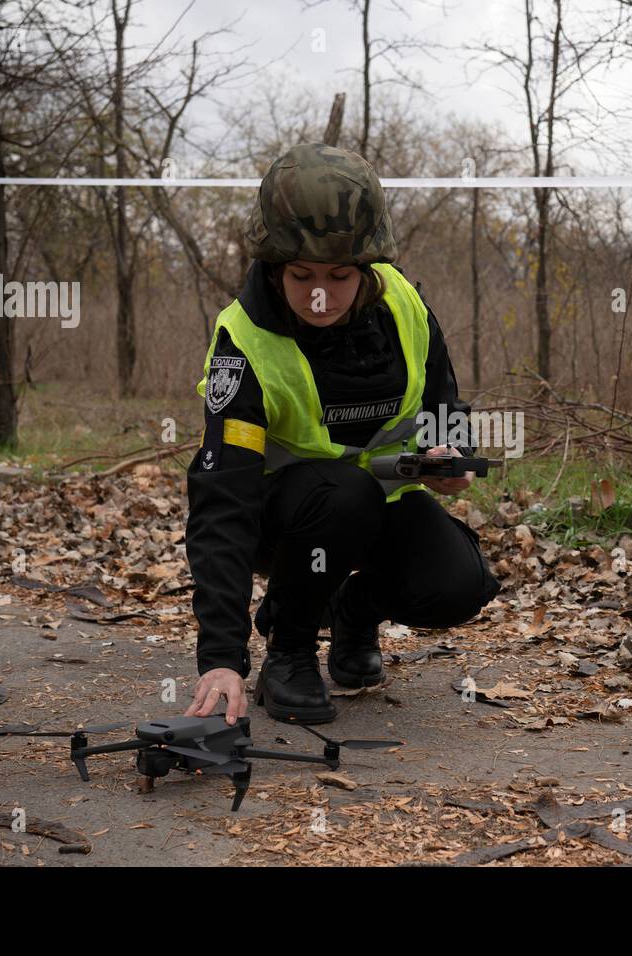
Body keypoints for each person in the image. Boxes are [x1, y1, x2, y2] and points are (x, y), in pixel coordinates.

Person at [183, 142, 501, 726]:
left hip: (384, 500)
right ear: (274, 264)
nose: (320, 294)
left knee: (458, 584)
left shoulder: (405, 303)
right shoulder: (244, 342)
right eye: (301, 276)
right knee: (343, 495)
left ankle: (353, 612)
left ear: (368, 267)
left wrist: (453, 456)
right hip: (285, 522)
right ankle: (290, 651)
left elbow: (443, 401)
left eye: (339, 275)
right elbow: (221, 502)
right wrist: (221, 658)